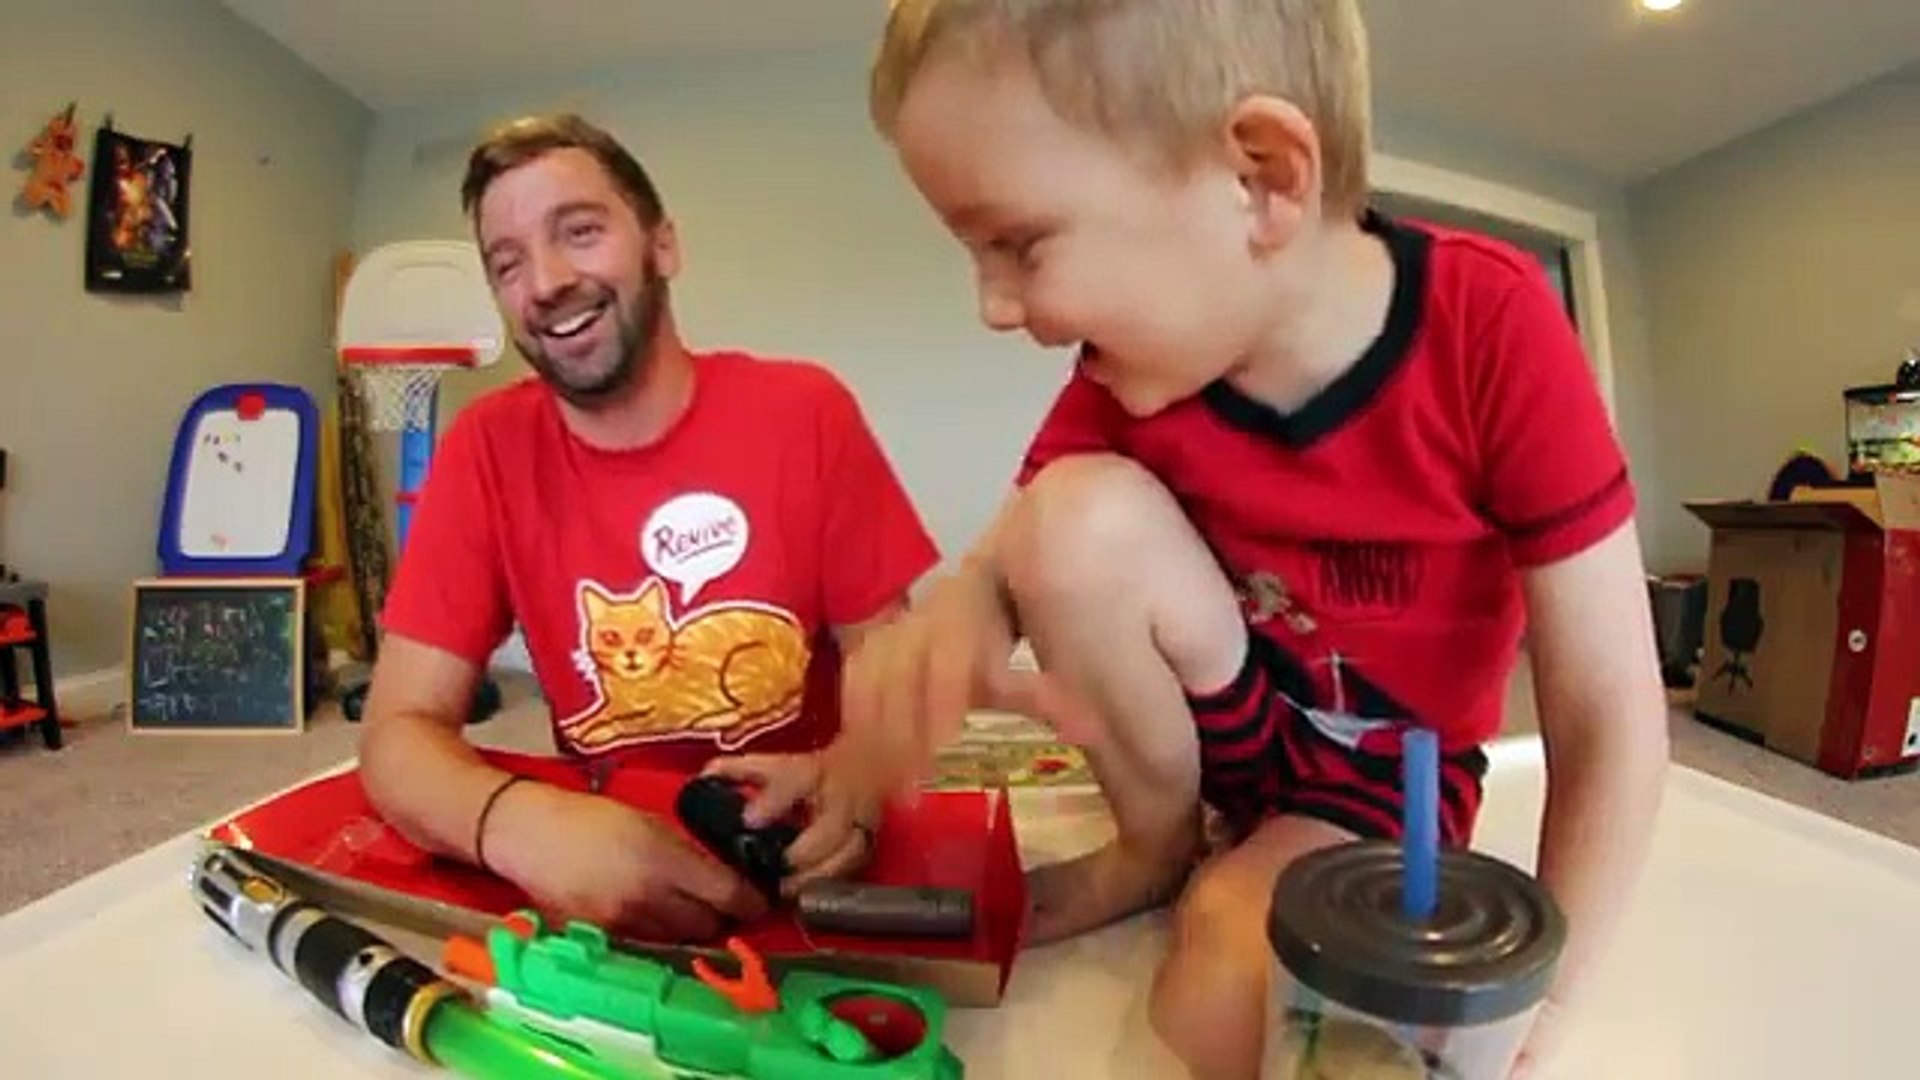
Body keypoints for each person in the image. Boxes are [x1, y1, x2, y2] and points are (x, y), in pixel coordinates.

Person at [843, 2, 1670, 1077]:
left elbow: (1608, 709)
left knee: (1227, 1000)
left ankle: (1217, 874)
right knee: (1070, 516)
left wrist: (1543, 997)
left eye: (1018, 243)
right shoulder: (1135, 372)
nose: (995, 306)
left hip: (1376, 781)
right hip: (1219, 727)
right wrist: (948, 629)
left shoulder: (1490, 323)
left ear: (1261, 177)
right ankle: (1154, 850)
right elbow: (1017, 549)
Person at [357, 113, 941, 947]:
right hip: (606, 870)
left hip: (805, 858)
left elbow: (894, 669)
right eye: (508, 263)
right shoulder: (485, 448)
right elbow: (395, 735)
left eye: (580, 232)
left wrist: (861, 772)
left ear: (662, 246)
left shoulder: (806, 412)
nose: (546, 282)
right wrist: (520, 826)